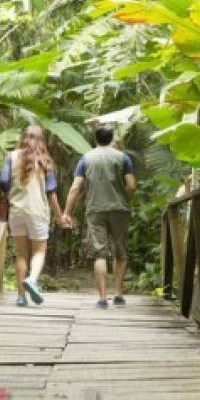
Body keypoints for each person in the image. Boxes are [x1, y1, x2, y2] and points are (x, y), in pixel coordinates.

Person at [62, 126, 136, 308]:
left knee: (100, 253)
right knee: (120, 251)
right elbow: (132, 186)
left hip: (95, 210)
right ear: (111, 138)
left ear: (96, 138)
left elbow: (75, 187)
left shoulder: (86, 159)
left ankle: (103, 299)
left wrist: (67, 212)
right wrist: (125, 199)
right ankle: (118, 294)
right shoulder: (123, 158)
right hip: (119, 209)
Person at [0, 125, 63, 306]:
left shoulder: (11, 157)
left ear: (23, 138)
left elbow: (3, 182)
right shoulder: (45, 161)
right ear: (41, 140)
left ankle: (20, 297)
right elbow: (51, 193)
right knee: (39, 251)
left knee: (21, 255)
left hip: (17, 211)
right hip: (38, 212)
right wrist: (59, 216)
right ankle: (32, 280)